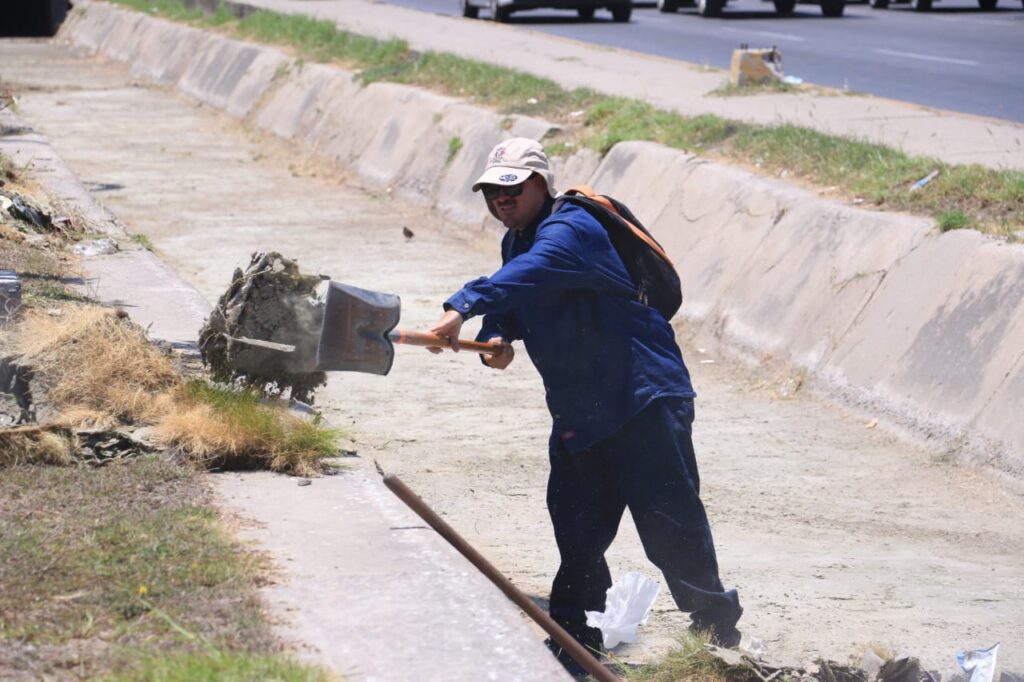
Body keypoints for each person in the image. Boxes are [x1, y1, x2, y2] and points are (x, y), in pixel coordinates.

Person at [429, 138, 742, 671]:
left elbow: (540, 270)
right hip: (581, 412)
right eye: (492, 191)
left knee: (671, 530)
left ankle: (715, 642)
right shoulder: (517, 240)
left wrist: (464, 305)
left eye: (512, 187)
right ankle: (576, 645)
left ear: (540, 185)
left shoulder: (571, 226)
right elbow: (521, 296)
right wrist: (498, 335)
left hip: (641, 398)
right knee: (576, 530)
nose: (501, 200)